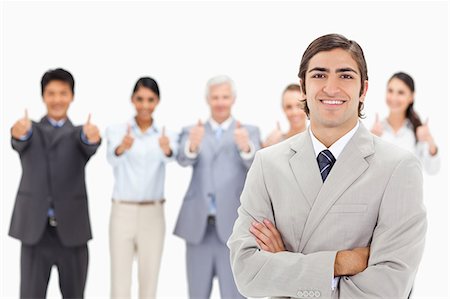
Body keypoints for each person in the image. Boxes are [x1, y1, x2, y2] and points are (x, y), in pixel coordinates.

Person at [228, 34, 427, 298]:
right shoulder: (267, 164)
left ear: (363, 90)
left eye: (345, 76)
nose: (331, 88)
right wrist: (340, 263)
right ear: (303, 87)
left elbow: (389, 287)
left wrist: (285, 265)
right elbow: (247, 273)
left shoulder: (398, 168)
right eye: (319, 75)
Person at [9, 68, 101, 298]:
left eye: (63, 93)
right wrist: (18, 133)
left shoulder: (79, 133)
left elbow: (89, 144)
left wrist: (92, 137)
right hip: (35, 232)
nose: (57, 99)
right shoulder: (31, 130)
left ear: (72, 96)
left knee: (74, 294)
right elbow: (19, 140)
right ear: (43, 96)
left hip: (71, 231)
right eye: (51, 93)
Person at [174, 75, 261, 298]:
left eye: (225, 97)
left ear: (233, 99)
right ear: (207, 100)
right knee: (197, 292)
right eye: (215, 97)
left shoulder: (249, 132)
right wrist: (192, 145)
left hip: (233, 226)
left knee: (234, 293)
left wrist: (246, 147)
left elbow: (257, 166)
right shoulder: (193, 130)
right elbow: (183, 159)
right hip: (198, 227)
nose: (220, 102)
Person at [105, 77, 178, 298]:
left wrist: (166, 150)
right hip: (122, 212)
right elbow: (112, 158)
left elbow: (172, 157)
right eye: (140, 99)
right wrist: (122, 148)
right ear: (132, 100)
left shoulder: (166, 135)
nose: (145, 105)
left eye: (150, 99)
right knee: (120, 283)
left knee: (149, 282)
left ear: (157, 101)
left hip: (153, 213)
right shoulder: (117, 130)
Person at [371, 72, 440, 175]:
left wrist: (430, 141)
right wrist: (371, 139)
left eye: (401, 93)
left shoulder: (417, 132)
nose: (394, 97)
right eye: (390, 91)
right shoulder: (377, 131)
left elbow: (433, 169)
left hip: (409, 189)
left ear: (411, 97)